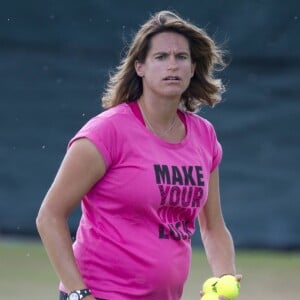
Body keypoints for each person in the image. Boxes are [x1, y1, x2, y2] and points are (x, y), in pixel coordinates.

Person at [36, 10, 241, 300]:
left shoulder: (204, 136)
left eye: (181, 57)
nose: (172, 65)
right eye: (161, 57)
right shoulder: (107, 132)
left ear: (193, 68)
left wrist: (224, 277)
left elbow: (213, 226)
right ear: (140, 67)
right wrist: (78, 294)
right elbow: (49, 216)